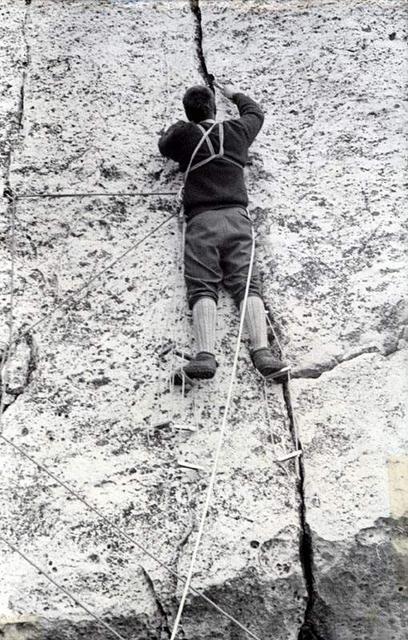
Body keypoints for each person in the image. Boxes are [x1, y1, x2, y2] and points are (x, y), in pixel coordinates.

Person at [158, 83, 289, 382]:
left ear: (188, 113)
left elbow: (164, 145)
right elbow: (255, 112)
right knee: (246, 282)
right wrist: (232, 93)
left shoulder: (184, 134)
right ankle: (262, 352)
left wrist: (177, 129)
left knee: (202, 283)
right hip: (237, 218)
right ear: (214, 109)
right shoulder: (237, 131)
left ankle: (205, 355)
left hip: (202, 220)